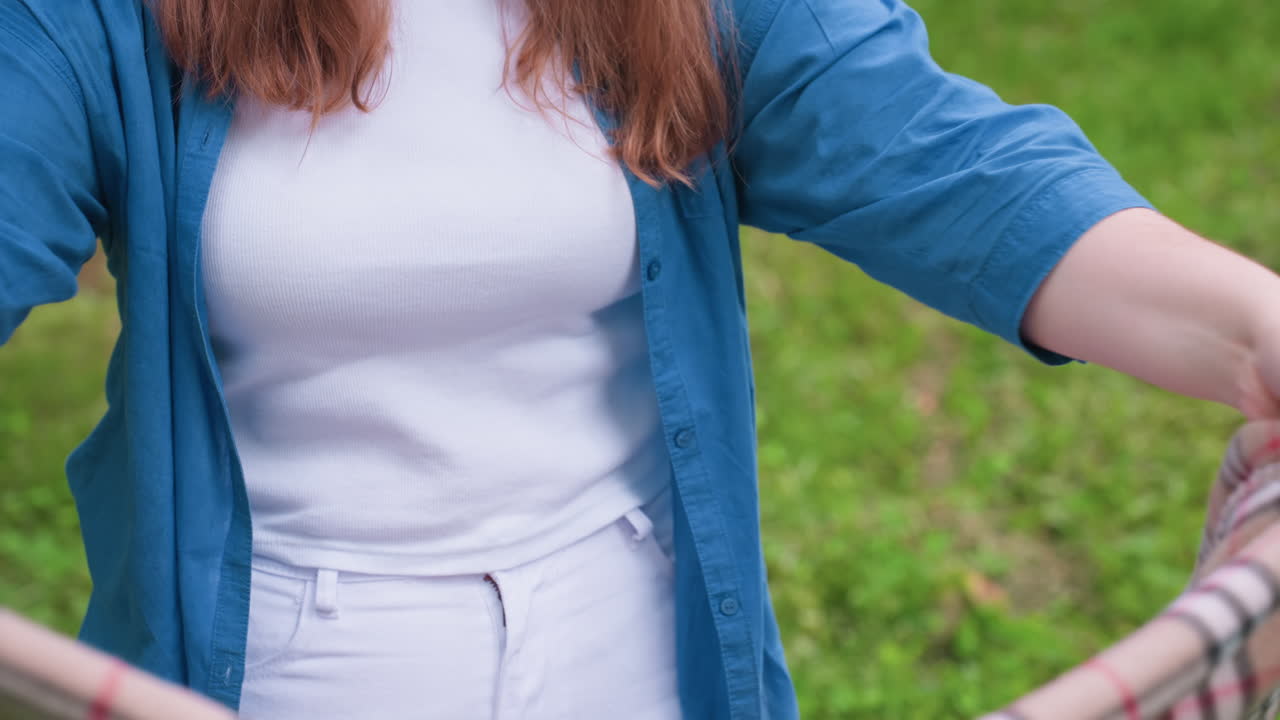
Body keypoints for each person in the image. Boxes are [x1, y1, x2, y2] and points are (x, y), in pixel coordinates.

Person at [2, 0, 1278, 718]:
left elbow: (951, 170)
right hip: (276, 682)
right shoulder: (91, 22)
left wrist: (1254, 325)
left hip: (644, 671)